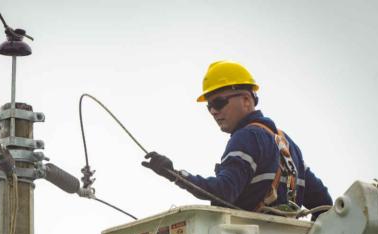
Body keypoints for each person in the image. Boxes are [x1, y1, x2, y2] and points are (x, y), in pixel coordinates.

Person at [142, 60, 332, 216]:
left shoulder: (247, 137)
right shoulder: (288, 145)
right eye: (209, 107)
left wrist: (174, 174)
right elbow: (324, 204)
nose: (214, 112)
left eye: (219, 102)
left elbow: (223, 191)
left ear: (247, 100)